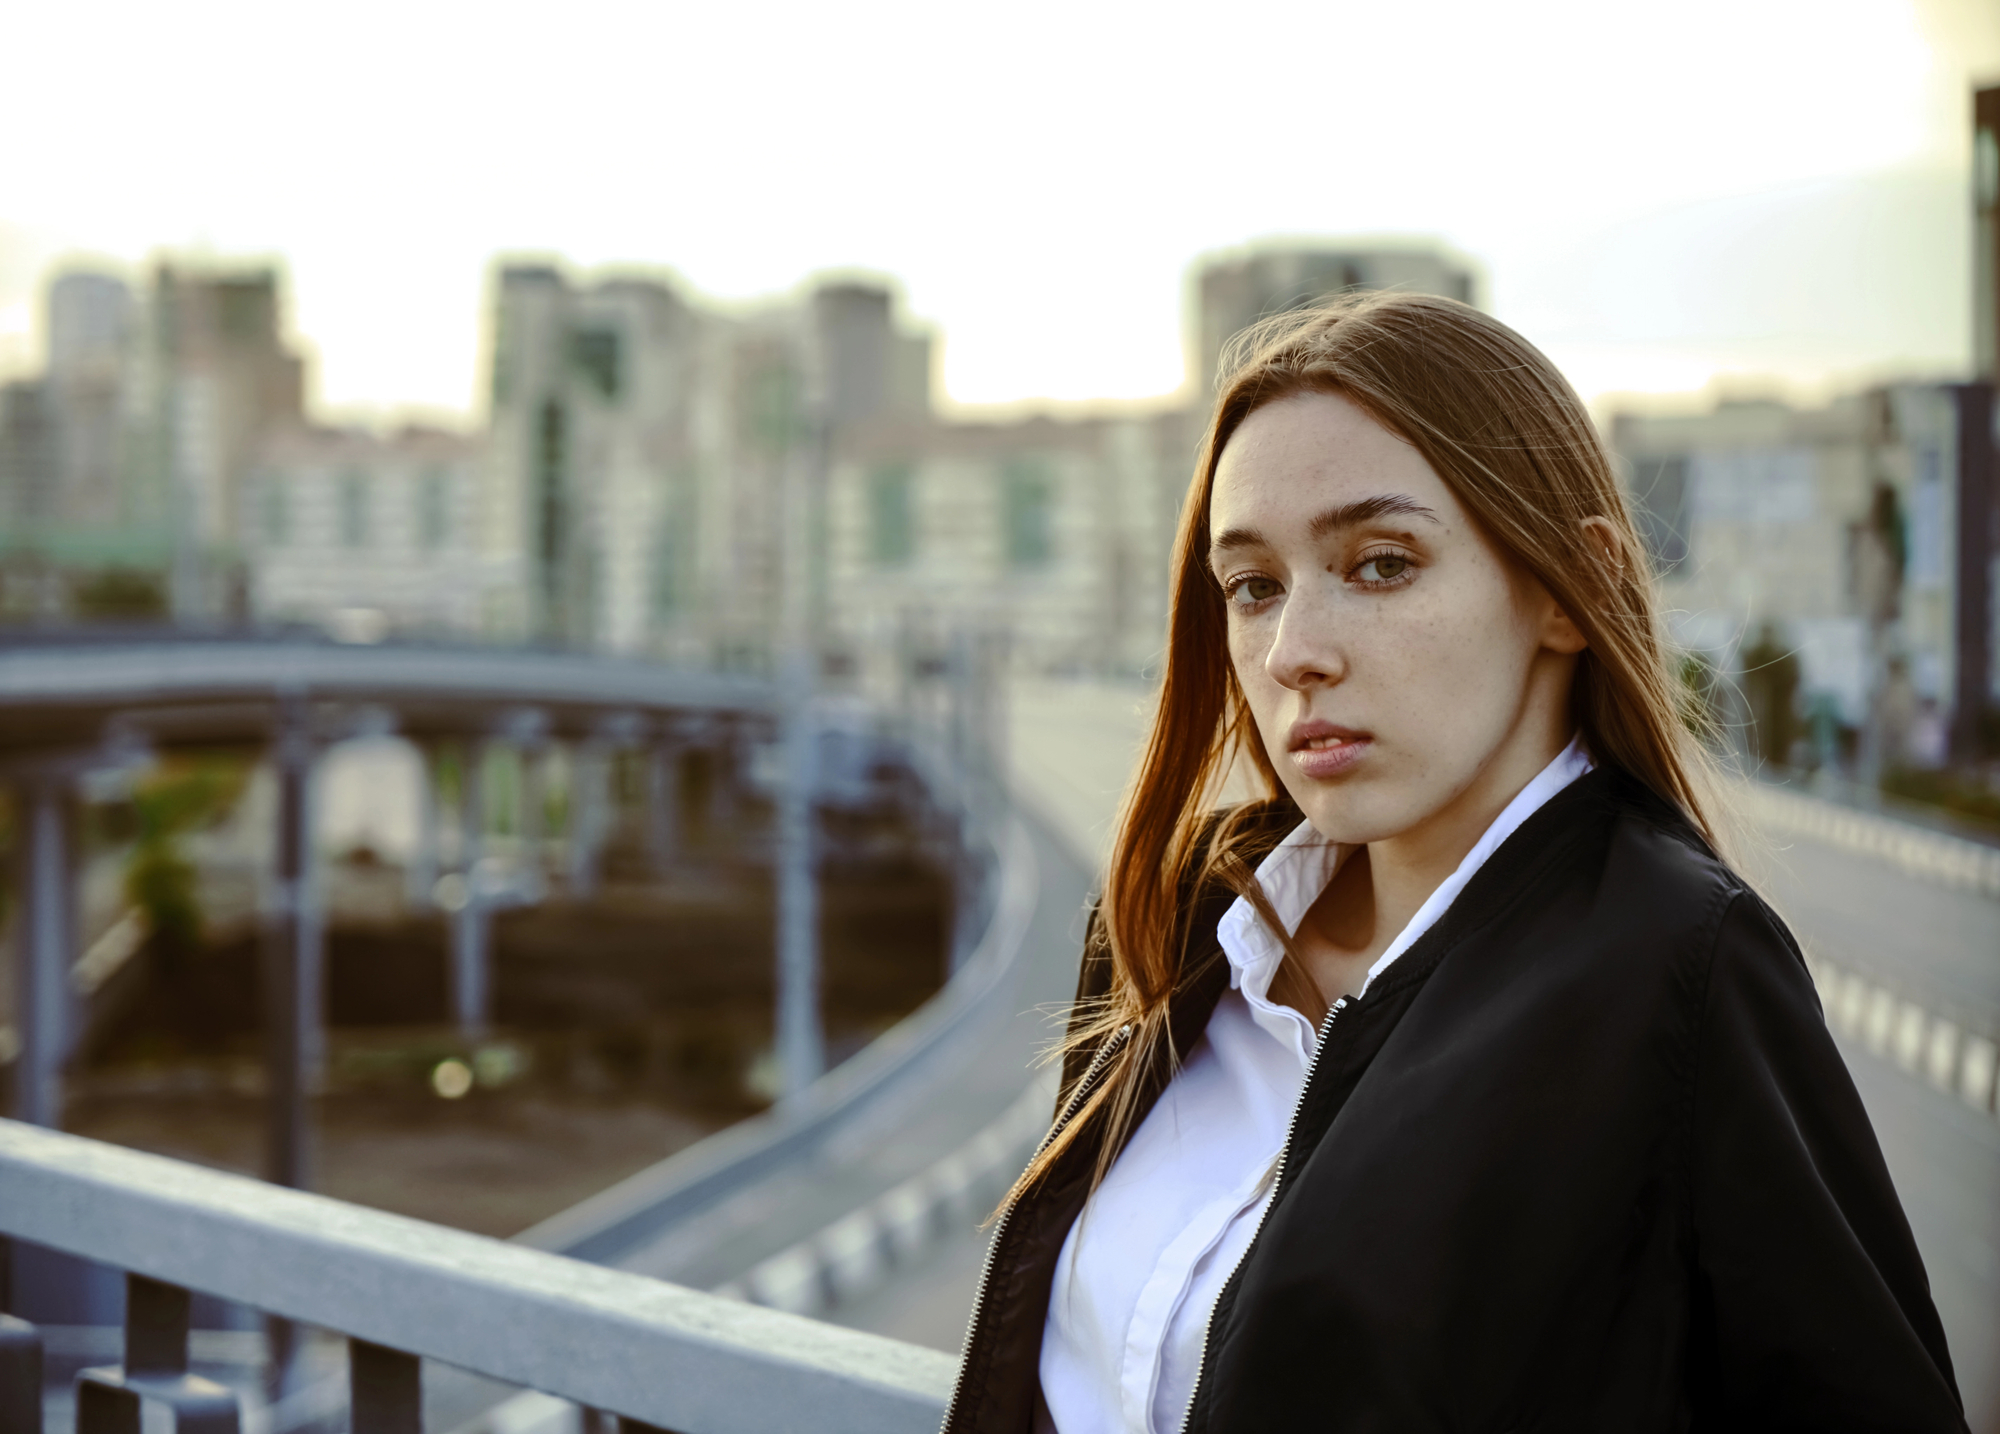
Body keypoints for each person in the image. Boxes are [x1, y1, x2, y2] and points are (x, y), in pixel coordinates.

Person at [940, 293, 1963, 1433]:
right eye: (1252, 586)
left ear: (1562, 592)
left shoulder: (1674, 972)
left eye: (1379, 565)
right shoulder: (1183, 922)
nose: (1293, 654)